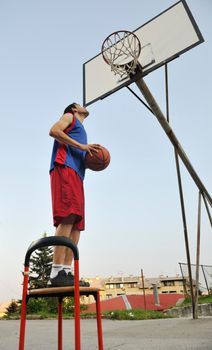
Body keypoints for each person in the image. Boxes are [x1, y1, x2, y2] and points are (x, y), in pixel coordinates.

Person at [48, 103, 100, 287]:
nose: (84, 105)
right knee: (67, 217)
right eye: (81, 104)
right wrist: (82, 146)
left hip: (77, 174)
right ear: (75, 108)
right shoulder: (69, 117)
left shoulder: (81, 128)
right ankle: (56, 272)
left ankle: (67, 272)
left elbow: (80, 152)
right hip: (64, 169)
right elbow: (54, 131)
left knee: (77, 225)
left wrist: (92, 159)